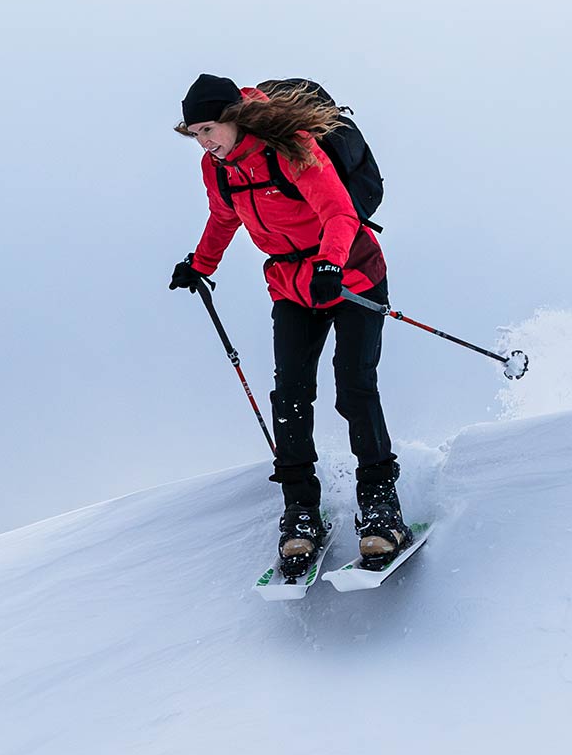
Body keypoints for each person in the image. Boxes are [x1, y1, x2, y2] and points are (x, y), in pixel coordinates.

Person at [167, 73, 410, 576]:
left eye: (209, 129)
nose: (204, 142)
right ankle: (300, 511)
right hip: (289, 285)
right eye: (196, 134)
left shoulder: (291, 147)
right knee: (291, 394)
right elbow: (223, 217)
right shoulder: (218, 169)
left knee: (355, 388)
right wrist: (201, 265)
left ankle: (382, 508)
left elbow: (340, 213)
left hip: (351, 277)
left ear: (233, 118)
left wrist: (329, 264)